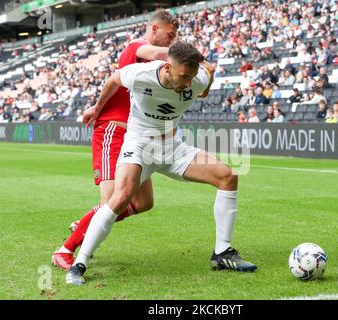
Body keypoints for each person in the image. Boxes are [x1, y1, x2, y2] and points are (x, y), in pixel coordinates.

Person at [66, 41, 257, 285]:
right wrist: (96, 107)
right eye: (183, 76)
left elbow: (204, 87)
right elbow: (114, 80)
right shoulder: (141, 75)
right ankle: (78, 264)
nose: (188, 83)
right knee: (121, 196)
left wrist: (209, 72)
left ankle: (222, 252)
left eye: (192, 76)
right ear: (167, 68)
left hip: (173, 147)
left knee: (228, 175)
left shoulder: (196, 78)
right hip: (139, 145)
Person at [52, 9, 179, 270]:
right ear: (154, 29)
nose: (172, 41)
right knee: (110, 201)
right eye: (170, 35)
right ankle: (65, 249)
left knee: (144, 202)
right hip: (113, 130)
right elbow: (155, 53)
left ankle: (87, 223)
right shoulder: (138, 46)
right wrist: (187, 55)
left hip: (135, 136)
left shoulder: (157, 68)